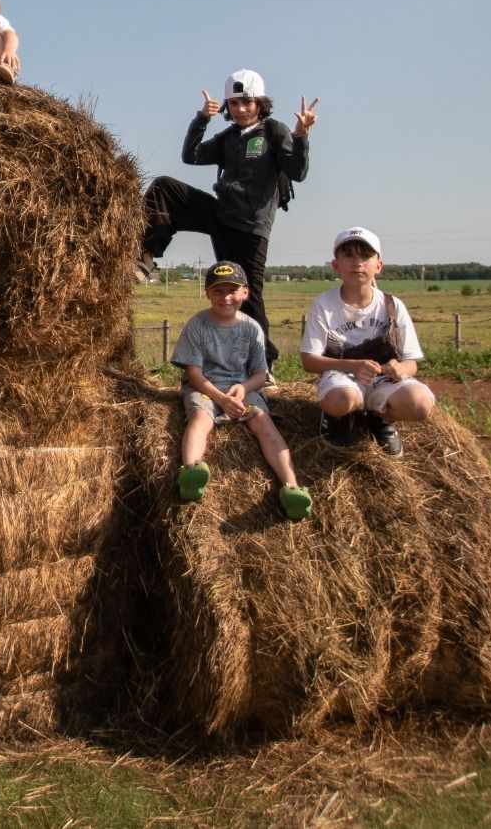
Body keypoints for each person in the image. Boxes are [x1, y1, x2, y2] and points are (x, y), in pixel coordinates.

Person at [138, 69, 316, 368]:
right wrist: (201, 119)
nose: (241, 109)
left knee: (247, 297)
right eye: (234, 104)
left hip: (251, 226)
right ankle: (144, 257)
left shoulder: (274, 131)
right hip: (221, 214)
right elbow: (191, 155)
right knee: (165, 188)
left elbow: (297, 172)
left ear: (260, 103)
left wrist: (301, 136)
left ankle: (265, 364)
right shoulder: (229, 137)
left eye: (247, 102)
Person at [172, 260, 313, 521]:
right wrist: (221, 398)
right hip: (205, 387)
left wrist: (242, 388)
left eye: (232, 291)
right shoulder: (197, 325)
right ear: (207, 294)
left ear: (245, 293)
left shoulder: (252, 328)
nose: (226, 297)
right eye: (218, 291)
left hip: (242, 387)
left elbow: (260, 374)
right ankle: (190, 470)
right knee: (200, 418)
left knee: (263, 422)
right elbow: (194, 373)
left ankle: (291, 486)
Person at [298, 226, 437, 456]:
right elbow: (308, 361)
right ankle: (338, 415)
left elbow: (412, 361)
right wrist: (353, 366)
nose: (357, 263)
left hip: (384, 379)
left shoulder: (392, 305)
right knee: (341, 399)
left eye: (366, 256)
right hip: (341, 377)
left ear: (378, 266)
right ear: (336, 265)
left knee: (420, 404)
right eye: (349, 256)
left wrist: (401, 369)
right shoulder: (324, 305)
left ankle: (380, 416)